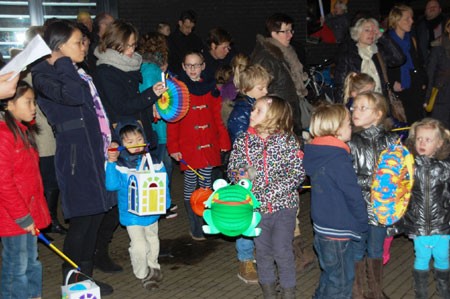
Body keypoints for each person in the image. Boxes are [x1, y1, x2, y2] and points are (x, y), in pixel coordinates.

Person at [31, 19, 115, 295]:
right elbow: (73, 96)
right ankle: (72, 282)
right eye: (78, 42)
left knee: (95, 218)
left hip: (93, 152)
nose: (84, 47)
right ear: (59, 46)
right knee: (81, 221)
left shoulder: (74, 69)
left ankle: (85, 278)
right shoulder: (44, 73)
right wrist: (64, 63)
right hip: (75, 156)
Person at [94, 19, 166, 273]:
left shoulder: (129, 65)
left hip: (140, 136)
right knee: (119, 198)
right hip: (125, 141)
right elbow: (122, 105)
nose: (132, 51)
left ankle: (148, 244)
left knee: (144, 192)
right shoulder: (106, 71)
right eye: (128, 46)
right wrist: (150, 95)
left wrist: (152, 105)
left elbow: (133, 101)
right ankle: (101, 250)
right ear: (114, 45)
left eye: (134, 45)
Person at [227, 95, 305, 298]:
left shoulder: (287, 141)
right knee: (262, 253)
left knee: (283, 252)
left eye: (258, 110)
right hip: (257, 211)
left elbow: (296, 174)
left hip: (284, 208)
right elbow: (233, 169)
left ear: (274, 117)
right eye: (253, 109)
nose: (251, 113)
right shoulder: (243, 141)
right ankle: (269, 292)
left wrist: (267, 194)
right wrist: (240, 176)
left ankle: (289, 293)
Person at [304, 104, 368, 299]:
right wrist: (363, 220)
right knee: (341, 282)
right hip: (338, 231)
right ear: (338, 129)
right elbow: (353, 194)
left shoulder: (317, 153)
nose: (351, 127)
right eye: (348, 124)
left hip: (323, 228)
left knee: (331, 275)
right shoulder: (338, 159)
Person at [167, 51, 231, 241]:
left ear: (203, 66)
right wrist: (174, 147)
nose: (193, 69)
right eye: (189, 65)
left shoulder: (211, 88)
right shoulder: (178, 90)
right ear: (184, 67)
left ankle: (204, 224)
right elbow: (173, 120)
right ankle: (194, 225)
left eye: (197, 65)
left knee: (205, 187)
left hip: (209, 145)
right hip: (188, 147)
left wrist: (224, 140)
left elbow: (217, 118)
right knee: (189, 187)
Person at [105, 120, 170, 291]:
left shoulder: (154, 160)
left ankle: (154, 268)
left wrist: (166, 202)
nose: (136, 144)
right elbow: (112, 186)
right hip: (131, 214)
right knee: (140, 246)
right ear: (121, 143)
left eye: (139, 139)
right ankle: (142, 273)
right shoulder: (120, 164)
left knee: (153, 241)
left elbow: (163, 182)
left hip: (152, 210)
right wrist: (111, 163)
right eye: (130, 141)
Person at [0, 81, 51, 299]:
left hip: (28, 213)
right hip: (14, 217)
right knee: (16, 267)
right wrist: (22, 216)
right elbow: (4, 182)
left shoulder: (21, 131)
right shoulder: (4, 135)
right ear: (9, 104)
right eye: (28, 102)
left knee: (32, 260)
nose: (33, 107)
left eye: (34, 102)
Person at [347, 91, 398, 299]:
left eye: (362, 108)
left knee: (376, 250)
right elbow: (348, 178)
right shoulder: (352, 142)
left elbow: (398, 173)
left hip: (381, 208)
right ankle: (357, 291)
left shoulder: (392, 140)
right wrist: (376, 182)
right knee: (357, 250)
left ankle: (375, 291)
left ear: (377, 114)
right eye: (354, 107)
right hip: (358, 207)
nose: (355, 111)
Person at [226, 61, 271, 284]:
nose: (266, 92)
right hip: (246, 172)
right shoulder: (242, 113)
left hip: (261, 169)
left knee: (261, 213)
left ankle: (261, 255)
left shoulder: (261, 108)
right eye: (261, 88)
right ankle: (245, 259)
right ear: (246, 90)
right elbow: (243, 146)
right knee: (247, 216)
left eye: (266, 87)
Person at [402, 118, 450, 299]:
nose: (422, 143)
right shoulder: (409, 167)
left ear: (439, 144)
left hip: (442, 223)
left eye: (428, 140)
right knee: (421, 258)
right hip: (419, 224)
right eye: (419, 138)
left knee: (442, 257)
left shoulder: (446, 168)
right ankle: (420, 292)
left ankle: (444, 289)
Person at [138, 31, 177, 218]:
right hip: (158, 127)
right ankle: (161, 204)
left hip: (149, 125)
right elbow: (161, 99)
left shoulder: (141, 67)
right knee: (160, 167)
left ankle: (162, 203)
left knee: (161, 164)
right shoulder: (154, 71)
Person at [250, 13, 308, 134]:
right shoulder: (266, 58)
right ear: (273, 33)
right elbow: (261, 92)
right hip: (278, 119)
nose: (290, 35)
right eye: (285, 31)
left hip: (288, 114)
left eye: (291, 30)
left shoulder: (285, 53)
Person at [334, 17, 405, 101]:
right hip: (359, 104)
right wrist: (343, 109)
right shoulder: (348, 56)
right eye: (367, 30)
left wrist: (383, 37)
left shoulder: (379, 53)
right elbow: (341, 86)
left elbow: (399, 59)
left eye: (373, 31)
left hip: (380, 102)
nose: (371, 33)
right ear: (358, 32)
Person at [387, 4, 427, 124]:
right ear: (397, 21)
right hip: (399, 87)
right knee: (403, 121)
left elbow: (419, 62)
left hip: (415, 84)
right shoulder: (387, 41)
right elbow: (384, 66)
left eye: (412, 18)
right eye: (407, 18)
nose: (412, 21)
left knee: (418, 120)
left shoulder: (412, 39)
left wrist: (423, 81)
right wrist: (391, 82)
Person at [426, 18, 450, 128]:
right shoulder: (438, 48)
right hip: (442, 94)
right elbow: (430, 74)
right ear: (448, 28)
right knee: (440, 128)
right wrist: (427, 97)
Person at [167, 10, 204, 76]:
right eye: (187, 27)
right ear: (180, 23)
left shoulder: (196, 40)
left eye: (192, 28)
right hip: (176, 75)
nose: (189, 30)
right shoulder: (170, 40)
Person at [413, 0, 447, 66]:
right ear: (425, 11)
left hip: (445, 65)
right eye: (429, 7)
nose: (432, 8)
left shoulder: (447, 24)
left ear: (440, 10)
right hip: (426, 65)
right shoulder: (417, 27)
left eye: (435, 6)